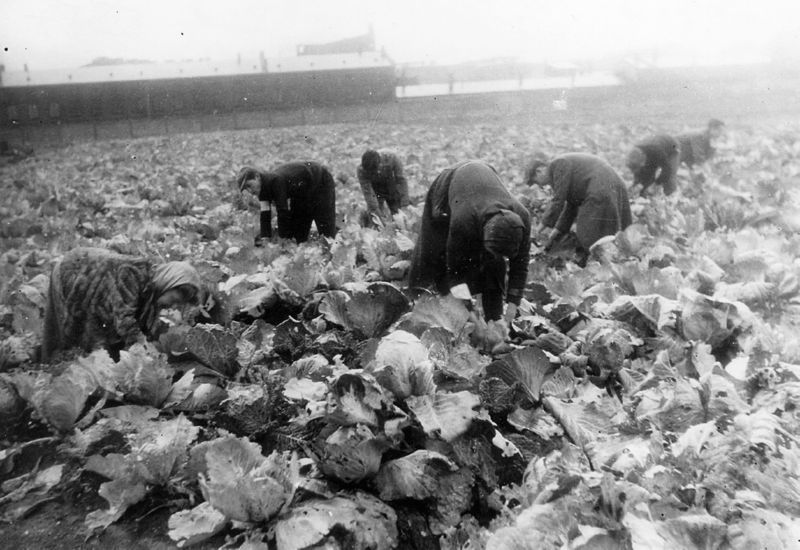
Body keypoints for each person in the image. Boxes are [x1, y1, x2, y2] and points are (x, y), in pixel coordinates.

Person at [408, 160, 531, 328]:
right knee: (434, 254)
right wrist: (470, 312)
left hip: (482, 182)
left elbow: (520, 266)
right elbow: (455, 274)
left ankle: (494, 317)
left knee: (494, 263)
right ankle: (417, 300)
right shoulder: (463, 221)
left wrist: (512, 305)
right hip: (447, 187)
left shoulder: (523, 218)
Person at [41, 247, 204, 362]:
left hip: (94, 286)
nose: (172, 306)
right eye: (174, 300)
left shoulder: (153, 288)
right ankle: (54, 365)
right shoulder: (132, 274)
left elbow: (142, 328)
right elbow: (124, 319)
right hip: (74, 271)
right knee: (72, 331)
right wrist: (143, 349)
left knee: (101, 339)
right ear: (169, 281)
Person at [528, 153, 632, 263]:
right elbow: (571, 205)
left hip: (600, 187)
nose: (540, 186)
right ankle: (611, 262)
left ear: (539, 171)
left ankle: (599, 263)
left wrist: (538, 229)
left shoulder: (557, 164)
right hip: (613, 184)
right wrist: (557, 230)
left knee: (587, 233)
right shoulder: (562, 167)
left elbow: (558, 200)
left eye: (535, 181)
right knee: (610, 231)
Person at [236, 161, 337, 244]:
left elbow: (283, 212)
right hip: (302, 191)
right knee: (298, 233)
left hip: (320, 182)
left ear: (257, 177)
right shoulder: (263, 191)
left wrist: (282, 239)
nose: (250, 191)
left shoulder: (275, 181)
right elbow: (265, 215)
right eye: (246, 189)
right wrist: (265, 238)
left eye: (249, 185)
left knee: (326, 230)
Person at [357, 149, 409, 223]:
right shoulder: (361, 170)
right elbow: (368, 193)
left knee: (399, 215)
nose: (374, 172)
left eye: (375, 170)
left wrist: (404, 203)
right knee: (375, 218)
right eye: (371, 172)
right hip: (376, 189)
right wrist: (376, 211)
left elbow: (401, 180)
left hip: (391, 185)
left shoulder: (392, 158)